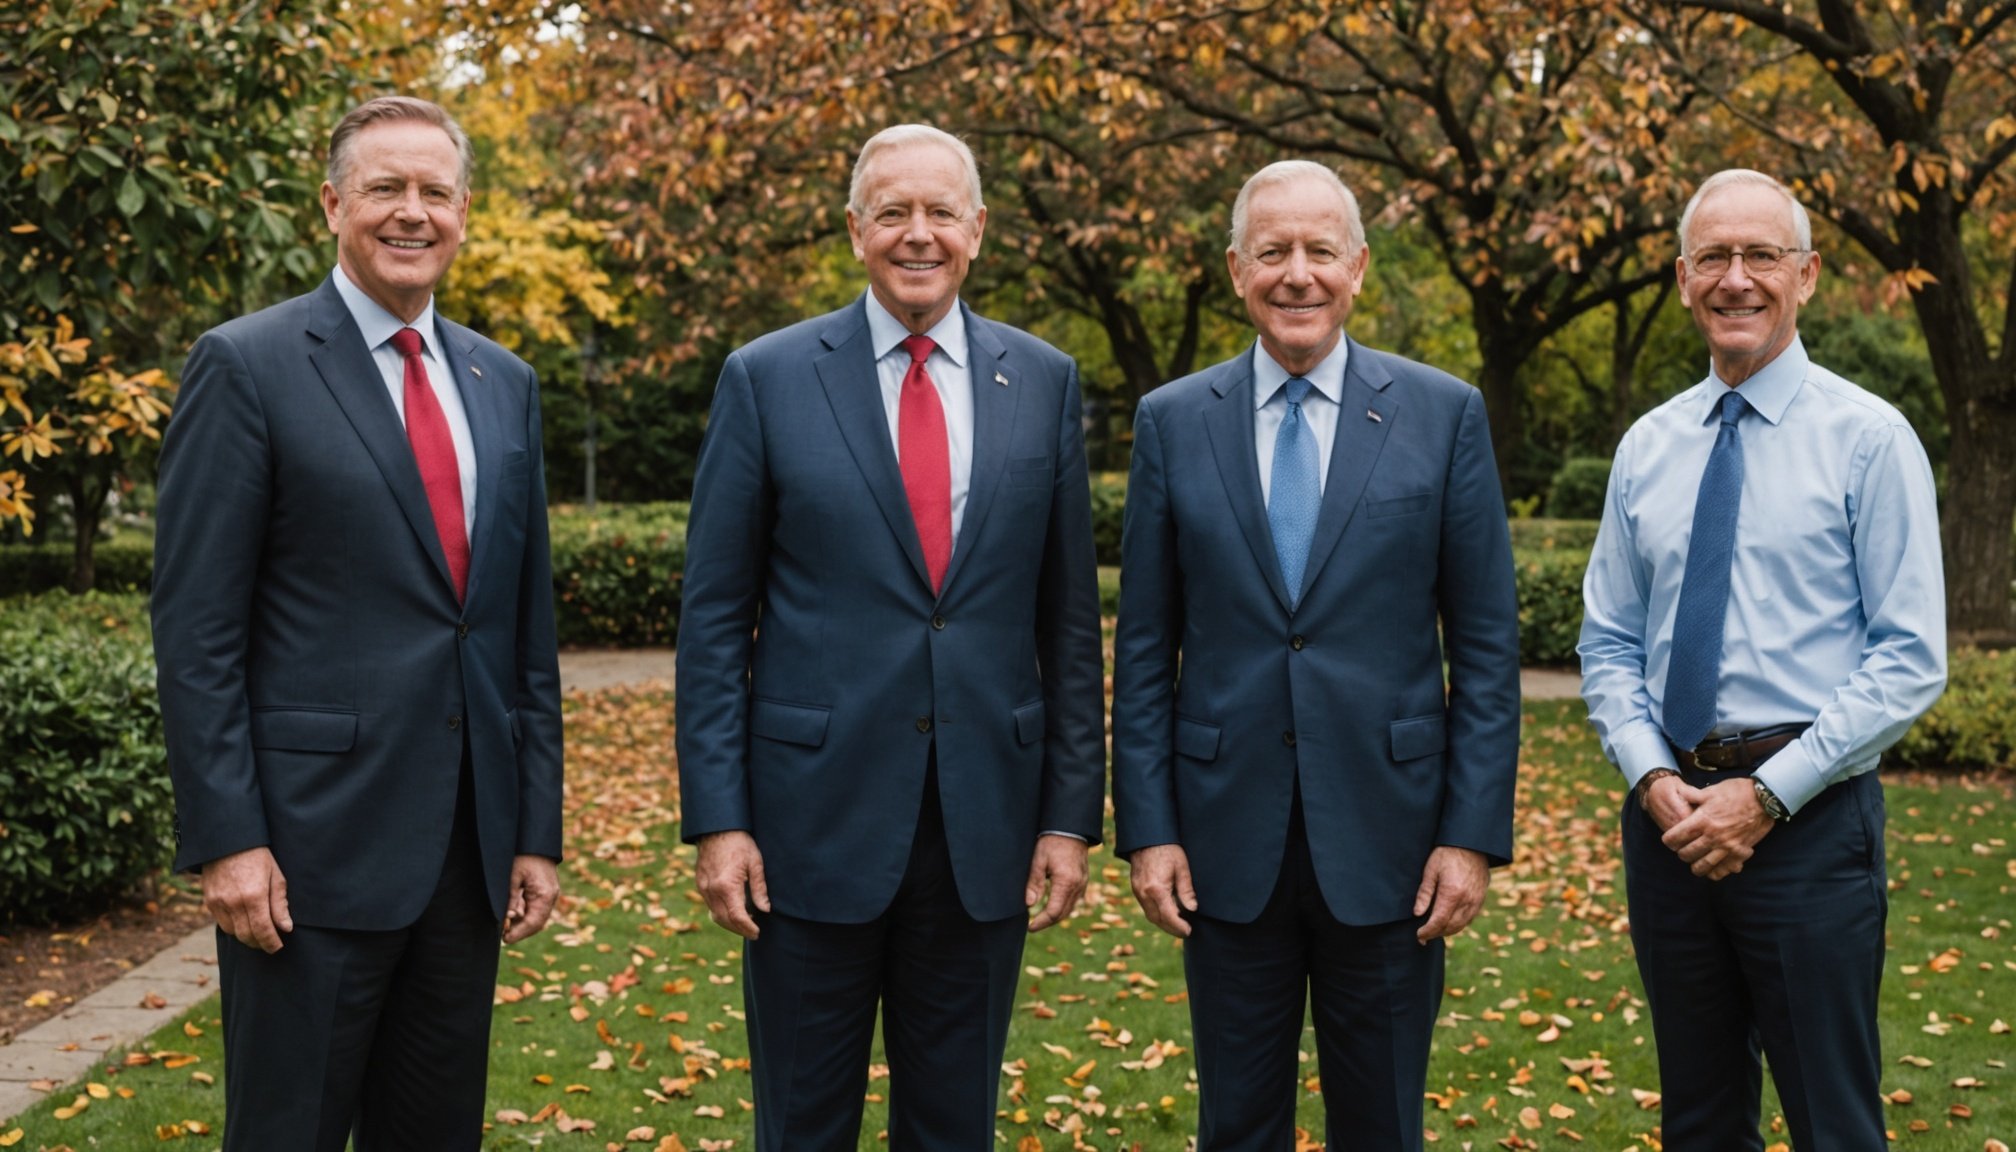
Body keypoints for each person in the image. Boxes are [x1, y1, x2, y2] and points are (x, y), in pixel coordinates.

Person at [674, 123, 1105, 1151]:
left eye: (941, 212)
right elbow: (715, 620)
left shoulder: (1044, 380)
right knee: (802, 1127)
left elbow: (1068, 623)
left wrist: (1068, 818)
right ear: (856, 230)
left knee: (955, 1128)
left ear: (977, 230)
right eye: (894, 212)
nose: (920, 234)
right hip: (805, 830)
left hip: (984, 830)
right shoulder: (766, 377)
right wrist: (720, 820)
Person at [151, 95, 564, 1151]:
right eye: (386, 188)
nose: (412, 212)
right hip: (307, 856)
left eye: (435, 192)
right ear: (334, 205)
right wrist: (229, 839)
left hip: (466, 855)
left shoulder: (505, 383)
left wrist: (533, 829)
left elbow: (521, 632)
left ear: (463, 214)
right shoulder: (246, 364)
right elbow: (197, 631)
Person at [1110, 159, 1521, 1151]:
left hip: (1394, 845)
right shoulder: (1172, 421)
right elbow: (1145, 649)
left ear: (1359, 267)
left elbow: (1485, 649)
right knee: (1236, 1126)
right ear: (1236, 269)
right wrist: (1149, 830)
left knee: (1381, 1127)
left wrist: (1470, 837)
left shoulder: (1443, 413)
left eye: (1320, 251)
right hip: (1223, 845)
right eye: (1273, 252)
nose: (1297, 274)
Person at [1578, 168, 1947, 1150]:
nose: (1735, 279)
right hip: (1668, 824)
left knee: (1833, 1121)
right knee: (1698, 1121)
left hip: (1810, 828)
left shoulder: (1870, 440)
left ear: (1807, 274)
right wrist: (1651, 778)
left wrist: (1767, 796)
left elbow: (1909, 656)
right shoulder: (1647, 448)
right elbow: (1608, 640)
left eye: (1761, 256)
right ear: (1683, 278)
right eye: (1713, 257)